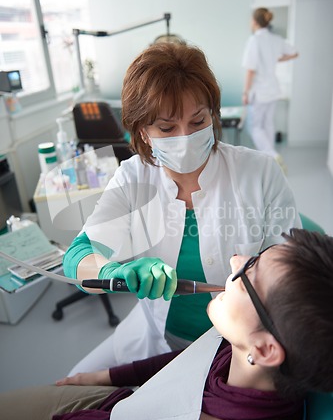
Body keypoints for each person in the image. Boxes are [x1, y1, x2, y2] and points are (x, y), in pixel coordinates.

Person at [62, 41, 301, 375]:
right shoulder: (133, 177)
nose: (185, 136)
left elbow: (290, 269)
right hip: (155, 341)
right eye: (166, 128)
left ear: (213, 114)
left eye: (198, 121)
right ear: (143, 132)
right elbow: (77, 257)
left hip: (239, 350)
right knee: (71, 385)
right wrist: (112, 273)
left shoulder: (258, 173)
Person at [1, 229, 333, 420]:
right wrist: (102, 377)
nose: (235, 259)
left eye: (249, 271)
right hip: (117, 406)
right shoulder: (242, 347)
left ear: (263, 350)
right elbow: (185, 362)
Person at [242, 7, 299, 168]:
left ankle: (272, 156)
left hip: (260, 91)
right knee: (268, 124)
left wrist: (245, 92)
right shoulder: (276, 39)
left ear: (254, 21)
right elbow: (294, 53)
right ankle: (272, 157)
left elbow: (251, 70)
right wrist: (275, 60)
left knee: (255, 127)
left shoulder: (254, 40)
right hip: (273, 90)